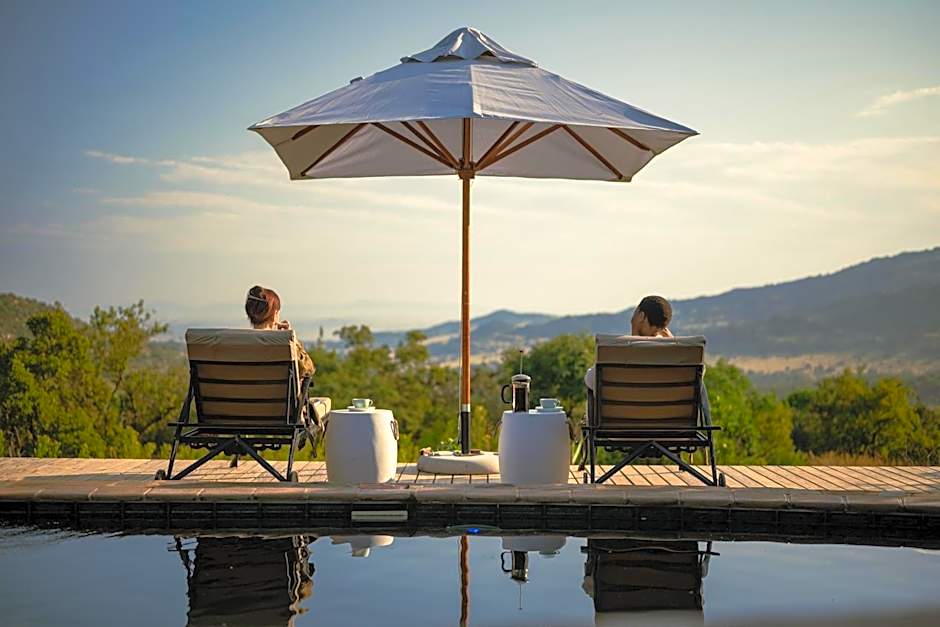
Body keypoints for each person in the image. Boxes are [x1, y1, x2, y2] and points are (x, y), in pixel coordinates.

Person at [584, 295, 674, 392]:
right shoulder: (672, 356)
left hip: (621, 402)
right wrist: (673, 342)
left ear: (641, 316)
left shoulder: (617, 351)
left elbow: (590, 380)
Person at [245, 285, 315, 378]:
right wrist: (293, 340)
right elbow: (308, 369)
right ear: (275, 315)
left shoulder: (236, 344)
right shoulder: (284, 344)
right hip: (276, 388)